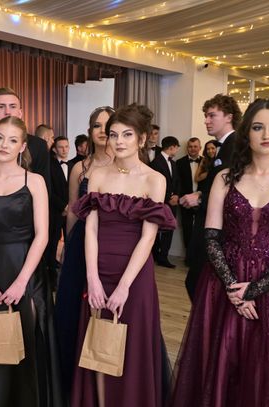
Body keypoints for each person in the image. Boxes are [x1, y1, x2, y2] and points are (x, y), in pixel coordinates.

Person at [169, 98, 269, 407]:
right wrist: (234, 288)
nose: (267, 134)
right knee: (221, 363)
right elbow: (211, 238)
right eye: (258, 127)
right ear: (247, 133)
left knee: (266, 369)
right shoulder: (225, 177)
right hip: (223, 283)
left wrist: (253, 290)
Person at [70, 105, 176, 407]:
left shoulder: (154, 180)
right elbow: (90, 230)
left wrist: (125, 286)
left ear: (141, 139)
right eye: (114, 134)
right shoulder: (98, 175)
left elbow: (148, 237)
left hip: (134, 276)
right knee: (99, 346)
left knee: (130, 349)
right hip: (98, 270)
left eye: (127, 134)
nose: (119, 141)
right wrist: (92, 277)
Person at [0, 115, 62, 407]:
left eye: (12, 140)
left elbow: (42, 236)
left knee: (27, 342)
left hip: (26, 271)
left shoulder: (35, 181)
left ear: (22, 146)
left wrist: (22, 282)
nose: (4, 145)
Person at [54, 105, 114, 399]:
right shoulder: (80, 168)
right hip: (80, 243)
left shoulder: (126, 165)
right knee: (74, 309)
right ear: (90, 131)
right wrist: (66, 245)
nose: (103, 131)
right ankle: (76, 381)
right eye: (97, 126)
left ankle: (109, 381)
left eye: (108, 125)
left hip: (113, 243)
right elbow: (73, 213)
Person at [181, 94, 242, 300]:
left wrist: (200, 199)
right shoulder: (225, 146)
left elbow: (233, 189)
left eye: (211, 115)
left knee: (197, 283)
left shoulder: (234, 146)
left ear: (229, 117)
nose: (206, 121)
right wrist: (200, 193)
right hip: (210, 221)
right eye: (205, 116)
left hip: (219, 227)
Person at [0, 87, 50, 188]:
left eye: (12, 106)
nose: (7, 112)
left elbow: (45, 189)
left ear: (20, 113)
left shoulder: (39, 145)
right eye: (1, 107)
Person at [150, 136, 180, 268]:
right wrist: (168, 198)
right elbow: (155, 184)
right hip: (160, 202)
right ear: (172, 147)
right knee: (155, 228)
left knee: (169, 229)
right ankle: (155, 255)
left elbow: (177, 181)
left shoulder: (173, 163)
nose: (177, 150)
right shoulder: (156, 163)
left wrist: (177, 196)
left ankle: (163, 256)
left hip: (172, 202)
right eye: (177, 148)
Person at [48, 136, 69, 289]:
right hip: (56, 212)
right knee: (53, 243)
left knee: (71, 242)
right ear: (55, 149)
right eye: (61, 147)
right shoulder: (50, 165)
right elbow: (49, 191)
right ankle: (52, 280)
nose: (64, 150)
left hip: (72, 212)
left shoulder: (74, 165)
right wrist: (63, 207)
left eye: (66, 146)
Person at [176, 137, 202, 251]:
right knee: (187, 229)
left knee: (200, 228)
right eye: (190, 146)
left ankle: (198, 256)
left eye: (195, 146)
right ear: (187, 148)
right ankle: (189, 255)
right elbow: (178, 182)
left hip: (201, 200)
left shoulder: (206, 162)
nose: (193, 149)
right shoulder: (179, 162)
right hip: (185, 200)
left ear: (200, 148)